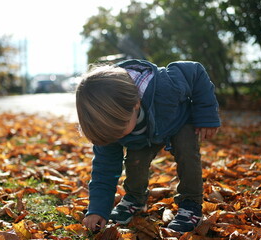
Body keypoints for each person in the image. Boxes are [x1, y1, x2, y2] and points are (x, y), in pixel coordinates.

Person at [76, 59, 220, 233]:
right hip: (144, 135)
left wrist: (206, 115)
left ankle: (191, 205)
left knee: (187, 153)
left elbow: (195, 71)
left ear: (135, 104)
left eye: (120, 130)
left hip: (178, 120)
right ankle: (135, 199)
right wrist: (97, 210)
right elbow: (104, 169)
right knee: (135, 160)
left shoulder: (166, 86)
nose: (117, 137)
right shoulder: (109, 127)